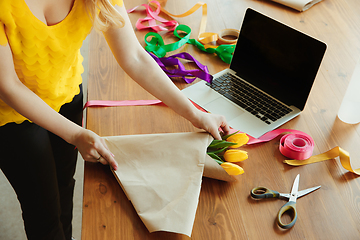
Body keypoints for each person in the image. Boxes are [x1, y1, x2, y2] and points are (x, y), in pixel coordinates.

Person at [0, 0, 230, 239]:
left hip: (65, 93)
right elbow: (8, 86)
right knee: (43, 212)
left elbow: (134, 57)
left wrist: (195, 114)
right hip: (9, 116)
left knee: (63, 185)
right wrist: (75, 134)